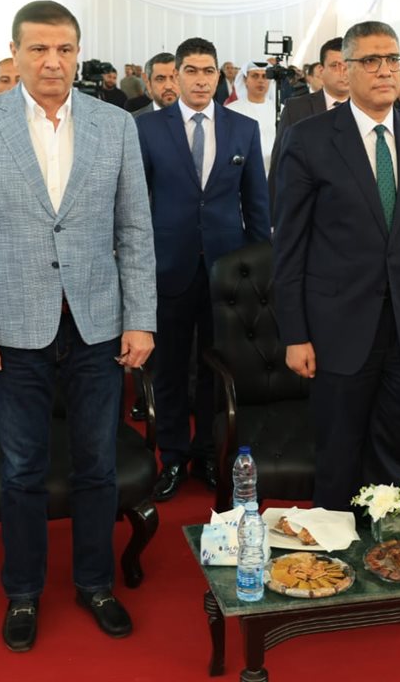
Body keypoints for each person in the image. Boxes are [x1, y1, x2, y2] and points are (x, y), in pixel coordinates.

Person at [0, 0, 156, 650]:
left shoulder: (115, 124)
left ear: (77, 54)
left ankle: (95, 583)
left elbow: (134, 229)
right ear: (14, 54)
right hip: (13, 327)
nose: (52, 61)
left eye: (64, 49)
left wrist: (141, 319)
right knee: (22, 468)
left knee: (97, 464)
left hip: (97, 323)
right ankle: (23, 592)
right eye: (38, 49)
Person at [273, 21, 400, 511]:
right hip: (336, 328)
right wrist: (295, 334)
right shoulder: (308, 139)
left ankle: (391, 545)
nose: (385, 71)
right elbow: (289, 246)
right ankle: (339, 548)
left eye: (393, 59)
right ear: (345, 70)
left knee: (399, 451)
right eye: (371, 61)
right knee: (339, 453)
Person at [136, 37, 270, 502]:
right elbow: (134, 205)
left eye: (208, 71)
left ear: (219, 76)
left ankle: (212, 454)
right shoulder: (146, 128)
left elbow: (256, 204)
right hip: (167, 266)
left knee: (219, 369)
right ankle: (173, 456)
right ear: (175, 75)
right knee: (170, 368)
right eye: (190, 71)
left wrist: (258, 270)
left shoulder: (243, 128)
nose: (199, 80)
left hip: (226, 273)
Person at [267, 37, 350, 210]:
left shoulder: (367, 108)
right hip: (308, 206)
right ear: (321, 70)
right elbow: (279, 165)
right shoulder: (296, 109)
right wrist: (274, 216)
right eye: (335, 66)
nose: (343, 72)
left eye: (348, 66)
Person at [225, 61, 277, 173]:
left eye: (264, 76)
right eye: (255, 76)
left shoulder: (279, 110)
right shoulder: (231, 110)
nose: (260, 80)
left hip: (274, 171)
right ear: (245, 80)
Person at [128, 52, 178, 117]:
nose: (168, 86)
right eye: (160, 79)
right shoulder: (133, 120)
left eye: (174, 78)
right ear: (148, 84)